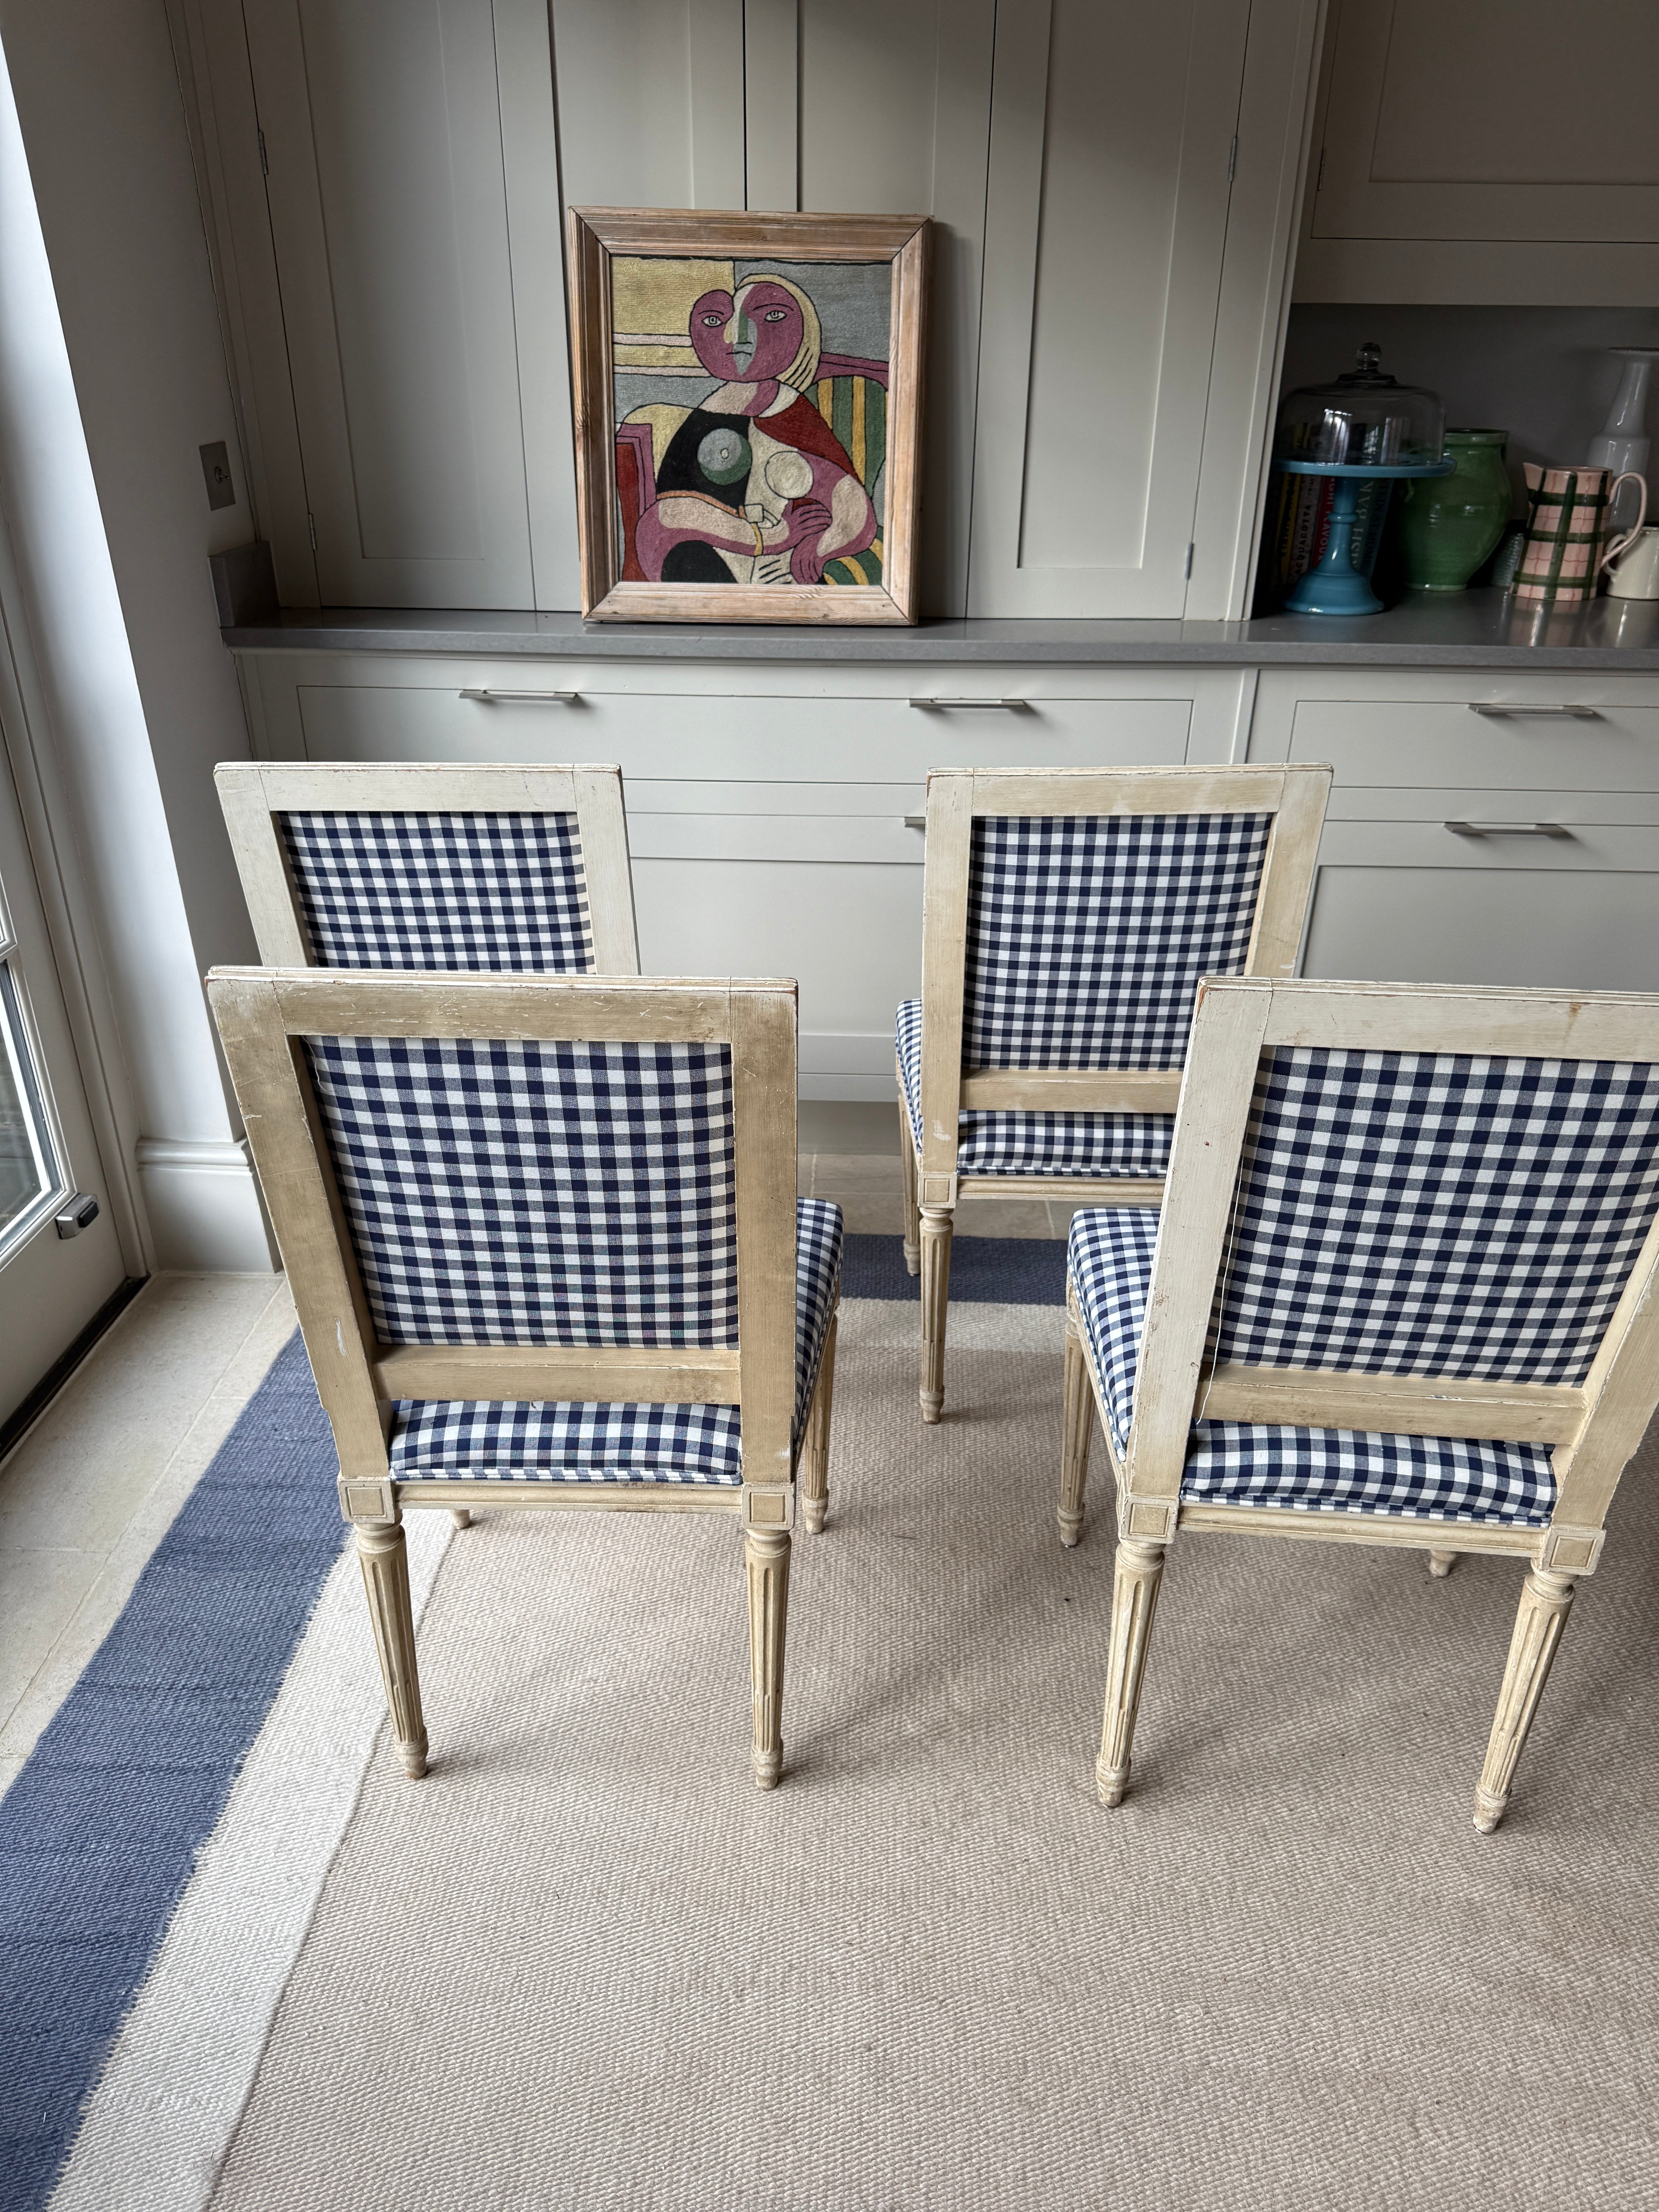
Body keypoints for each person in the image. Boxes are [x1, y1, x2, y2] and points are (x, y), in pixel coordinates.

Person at [625, 275, 878, 586]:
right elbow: (669, 516)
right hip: (709, 560)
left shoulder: (791, 412)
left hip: (780, 572)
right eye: (715, 321)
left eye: (772, 317)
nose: (737, 338)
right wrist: (771, 537)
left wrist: (820, 547)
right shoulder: (708, 415)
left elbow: (852, 505)